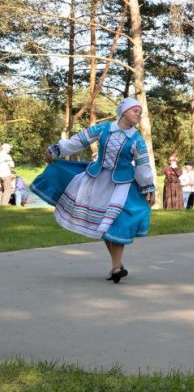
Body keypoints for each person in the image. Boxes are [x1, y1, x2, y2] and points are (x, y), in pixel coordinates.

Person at [31, 98, 155, 283]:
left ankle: (115, 267)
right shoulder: (103, 128)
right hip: (96, 180)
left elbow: (143, 165)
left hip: (122, 184)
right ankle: (116, 267)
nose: (139, 113)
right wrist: (57, 149)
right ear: (123, 112)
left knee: (117, 221)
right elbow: (79, 141)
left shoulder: (137, 140)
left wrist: (148, 187)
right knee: (103, 224)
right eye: (135, 110)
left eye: (140, 111)